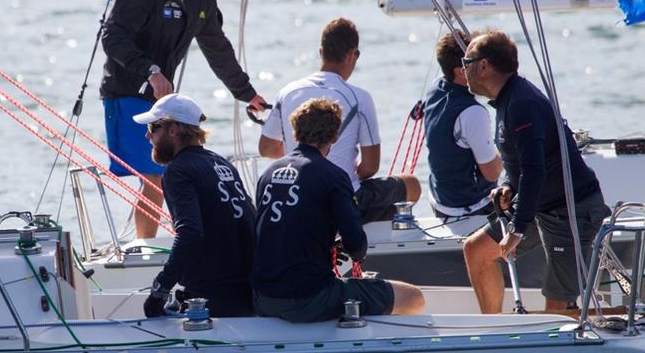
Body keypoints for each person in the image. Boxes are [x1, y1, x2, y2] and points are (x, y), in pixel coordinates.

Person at [100, 0, 267, 238]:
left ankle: (175, 242)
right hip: (125, 91)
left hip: (160, 101)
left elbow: (218, 50)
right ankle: (147, 248)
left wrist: (247, 94)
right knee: (155, 176)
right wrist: (150, 71)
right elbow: (113, 37)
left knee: (168, 172)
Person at [461, 29, 611, 313]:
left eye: (466, 61)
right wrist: (507, 185)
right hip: (537, 206)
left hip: (570, 209)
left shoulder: (522, 104)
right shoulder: (505, 100)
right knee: (476, 250)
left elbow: (534, 170)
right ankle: (494, 330)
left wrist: (517, 229)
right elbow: (519, 163)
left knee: (556, 307)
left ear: (483, 66)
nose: (462, 68)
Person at [252, 98, 425, 322]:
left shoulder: (268, 173)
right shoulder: (332, 176)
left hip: (263, 299)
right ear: (335, 136)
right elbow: (356, 245)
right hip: (309, 299)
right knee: (413, 297)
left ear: (295, 131)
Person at [259, 18, 421, 223]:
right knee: (412, 184)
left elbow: (266, 148)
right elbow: (370, 167)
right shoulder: (360, 98)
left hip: (299, 196)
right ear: (353, 55)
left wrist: (299, 151)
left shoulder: (287, 92)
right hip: (344, 198)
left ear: (321, 52)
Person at [135, 93, 256, 317]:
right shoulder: (222, 164)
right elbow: (253, 221)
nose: (147, 135)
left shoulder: (178, 171)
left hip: (214, 300)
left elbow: (190, 233)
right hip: (247, 295)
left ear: (173, 130)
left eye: (153, 127)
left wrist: (160, 290)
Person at [424, 30, 502, 218]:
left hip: (439, 200)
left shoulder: (436, 87)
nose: (486, 68)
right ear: (461, 71)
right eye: (480, 64)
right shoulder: (473, 113)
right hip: (471, 206)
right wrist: (508, 148)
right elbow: (492, 174)